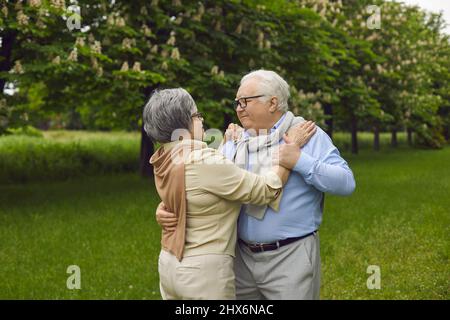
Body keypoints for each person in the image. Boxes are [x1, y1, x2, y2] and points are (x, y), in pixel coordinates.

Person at [156, 70, 356, 300]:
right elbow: (203, 184)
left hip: (289, 257)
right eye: (237, 102)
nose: (238, 108)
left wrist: (299, 160)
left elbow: (346, 183)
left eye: (245, 101)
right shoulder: (235, 141)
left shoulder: (307, 136)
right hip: (239, 259)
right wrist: (166, 208)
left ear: (272, 103)